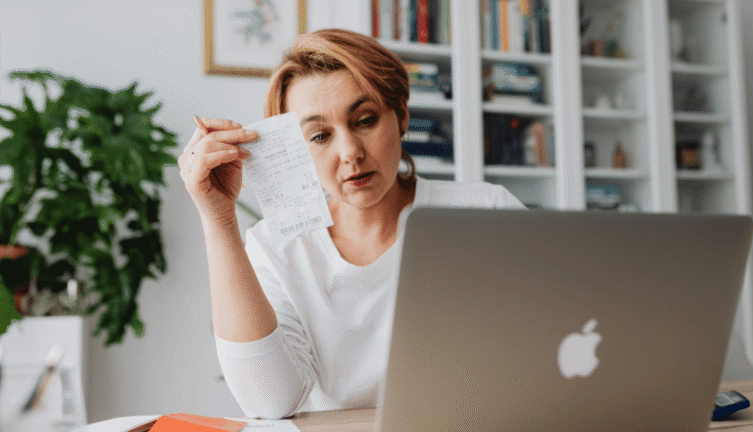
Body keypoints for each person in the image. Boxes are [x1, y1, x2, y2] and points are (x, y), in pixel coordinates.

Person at [178, 28, 526, 419]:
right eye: (319, 136)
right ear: (295, 148)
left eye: (365, 120)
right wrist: (219, 220)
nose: (350, 152)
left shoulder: (487, 212)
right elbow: (269, 402)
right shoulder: (277, 248)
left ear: (401, 115)